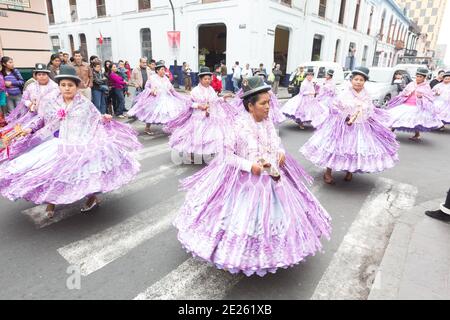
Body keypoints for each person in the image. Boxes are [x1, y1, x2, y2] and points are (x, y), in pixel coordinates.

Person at [173, 76, 331, 276]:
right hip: (244, 183)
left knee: (274, 220)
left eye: (269, 102)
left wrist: (281, 152)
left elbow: (275, 142)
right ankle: (243, 257)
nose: (268, 107)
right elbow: (226, 155)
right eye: (263, 103)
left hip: (273, 178)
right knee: (245, 222)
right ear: (250, 105)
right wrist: (250, 166)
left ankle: (271, 254)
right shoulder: (236, 126)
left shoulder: (268, 123)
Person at [0, 65, 142, 219]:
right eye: (63, 85)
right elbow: (41, 119)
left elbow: (95, 118)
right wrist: (30, 129)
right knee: (52, 174)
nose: (66, 88)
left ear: (76, 86)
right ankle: (51, 202)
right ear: (59, 86)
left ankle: (92, 197)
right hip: (58, 144)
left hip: (81, 145)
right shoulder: (52, 102)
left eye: (70, 85)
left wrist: (104, 118)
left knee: (86, 174)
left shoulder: (84, 103)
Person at [301, 67, 400, 184]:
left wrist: (366, 115)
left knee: (354, 150)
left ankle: (349, 171)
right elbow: (334, 107)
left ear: (364, 82)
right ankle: (328, 172)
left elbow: (370, 110)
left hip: (360, 126)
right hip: (342, 126)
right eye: (356, 79)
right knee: (335, 149)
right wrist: (345, 116)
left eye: (361, 80)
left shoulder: (367, 95)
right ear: (351, 80)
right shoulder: (344, 93)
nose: (358, 82)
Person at [166, 66, 234, 160]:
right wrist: (199, 106)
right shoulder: (195, 91)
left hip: (210, 116)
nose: (207, 81)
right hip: (198, 117)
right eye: (205, 79)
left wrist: (223, 98)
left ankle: (209, 152)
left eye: (209, 79)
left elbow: (214, 101)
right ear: (200, 79)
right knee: (196, 137)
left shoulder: (211, 89)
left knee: (210, 136)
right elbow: (189, 103)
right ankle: (191, 154)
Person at [0, 63, 59, 163]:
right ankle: (8, 153)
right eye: (39, 74)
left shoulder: (55, 87)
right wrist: (29, 104)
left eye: (44, 74)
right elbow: (24, 99)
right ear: (35, 75)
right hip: (31, 116)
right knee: (17, 133)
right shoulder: (31, 86)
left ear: (47, 75)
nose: (41, 77)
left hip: (48, 119)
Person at [127, 60, 189, 135]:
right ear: (157, 70)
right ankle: (147, 128)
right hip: (154, 98)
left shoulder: (166, 78)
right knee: (150, 112)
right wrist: (151, 91)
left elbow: (172, 90)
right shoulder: (152, 78)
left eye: (164, 69)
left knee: (168, 112)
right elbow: (146, 87)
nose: (164, 71)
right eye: (162, 69)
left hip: (166, 98)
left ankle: (169, 127)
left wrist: (182, 97)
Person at [386, 68, 442, 141]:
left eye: (420, 77)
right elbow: (404, 92)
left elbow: (429, 97)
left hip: (416, 106)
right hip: (406, 104)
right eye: (417, 76)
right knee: (396, 116)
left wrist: (421, 97)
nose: (418, 78)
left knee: (416, 121)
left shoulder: (426, 86)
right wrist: (405, 94)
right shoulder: (411, 84)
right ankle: (391, 132)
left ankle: (417, 135)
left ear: (424, 78)